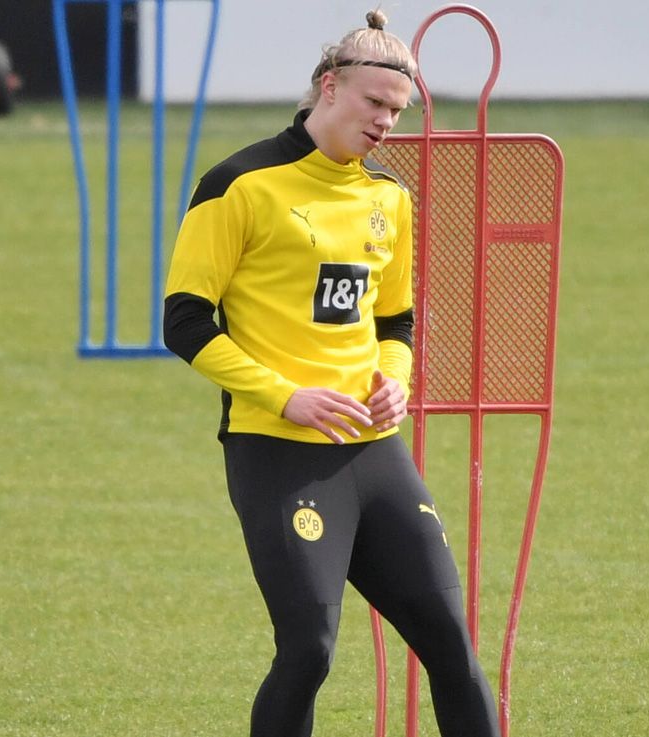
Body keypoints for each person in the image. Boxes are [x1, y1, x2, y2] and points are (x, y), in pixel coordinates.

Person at [162, 10, 501, 737]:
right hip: (276, 451)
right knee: (309, 650)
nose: (386, 123)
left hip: (373, 452)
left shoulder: (388, 198)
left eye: (397, 112)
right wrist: (287, 397)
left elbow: (394, 321)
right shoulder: (239, 185)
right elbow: (185, 322)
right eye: (375, 104)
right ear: (328, 87)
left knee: (451, 641)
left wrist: (395, 378)